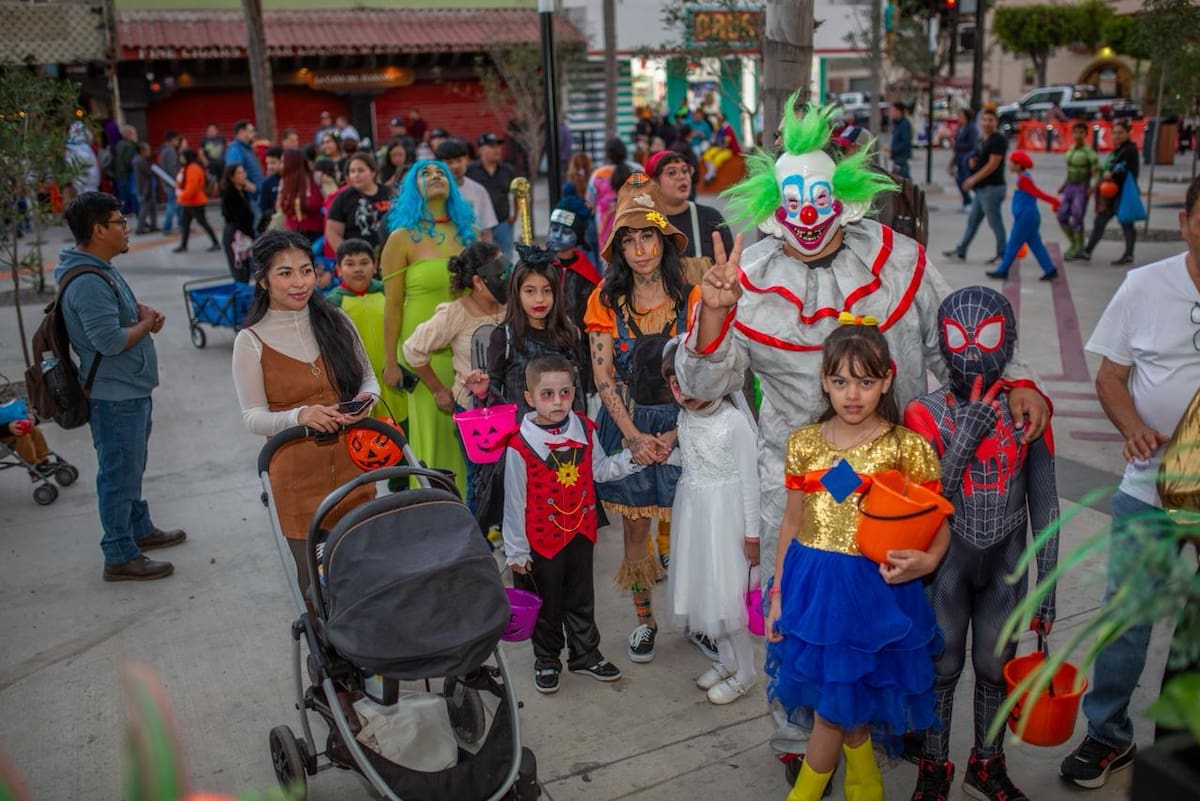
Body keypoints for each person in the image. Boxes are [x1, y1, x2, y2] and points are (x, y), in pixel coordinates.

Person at [673, 97, 1051, 786]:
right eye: (794, 199)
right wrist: (714, 314)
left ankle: (880, 728)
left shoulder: (899, 256)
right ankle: (799, 737)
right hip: (802, 481)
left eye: (821, 195)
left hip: (895, 475)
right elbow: (699, 383)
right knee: (806, 620)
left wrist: (1018, 378)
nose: (809, 213)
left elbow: (953, 339)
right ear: (772, 204)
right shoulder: (745, 277)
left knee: (894, 610)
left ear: (842, 197)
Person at [766, 320, 949, 801]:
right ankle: (865, 783)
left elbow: (938, 523)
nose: (853, 394)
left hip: (874, 593)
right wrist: (778, 594)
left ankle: (804, 794)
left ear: (887, 379)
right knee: (844, 699)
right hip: (813, 589)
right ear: (824, 380)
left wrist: (927, 562)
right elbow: (791, 523)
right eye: (841, 381)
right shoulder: (803, 444)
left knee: (835, 706)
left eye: (866, 382)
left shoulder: (905, 447)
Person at [1058, 174, 1200, 789]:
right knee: (1127, 615)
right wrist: (1135, 427)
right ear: (1189, 220)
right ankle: (1108, 735)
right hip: (1149, 486)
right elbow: (1112, 377)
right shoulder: (1145, 285)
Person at [903, 286, 1060, 801]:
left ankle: (986, 764)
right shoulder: (924, 414)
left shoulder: (1029, 413)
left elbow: (1046, 506)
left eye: (986, 335)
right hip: (947, 560)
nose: (971, 350)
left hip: (1008, 561)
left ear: (1007, 340)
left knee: (995, 666)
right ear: (941, 343)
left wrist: (1049, 589)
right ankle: (933, 766)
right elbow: (927, 503)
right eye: (958, 336)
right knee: (941, 665)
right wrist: (964, 437)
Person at [585, 173, 702, 664]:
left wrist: (676, 433)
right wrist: (634, 439)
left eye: (647, 236)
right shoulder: (604, 301)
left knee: (693, 526)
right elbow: (603, 378)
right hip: (629, 423)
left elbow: (705, 371)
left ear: (664, 240)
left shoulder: (690, 296)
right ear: (619, 249)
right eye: (628, 240)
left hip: (688, 424)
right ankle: (644, 621)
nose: (639, 250)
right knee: (636, 532)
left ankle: (698, 620)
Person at [232, 230, 378, 594]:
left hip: (353, 468)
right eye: (285, 273)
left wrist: (361, 404)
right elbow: (252, 416)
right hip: (295, 477)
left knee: (367, 571)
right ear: (264, 280)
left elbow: (370, 381)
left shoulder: (338, 322)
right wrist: (298, 416)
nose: (299, 283)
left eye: (306, 270)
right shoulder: (250, 341)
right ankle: (326, 647)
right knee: (314, 583)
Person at [56, 192, 185, 581]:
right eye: (119, 222)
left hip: (128, 389)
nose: (126, 229)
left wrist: (143, 315)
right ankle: (118, 552)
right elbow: (109, 341)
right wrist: (144, 324)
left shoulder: (100, 268)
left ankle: (137, 528)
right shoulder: (88, 281)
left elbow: (115, 318)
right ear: (98, 230)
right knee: (118, 472)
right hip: (115, 396)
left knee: (131, 467)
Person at [502, 354, 639, 694]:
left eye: (565, 392)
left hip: (580, 532)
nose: (558, 401)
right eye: (547, 394)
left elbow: (601, 471)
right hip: (541, 541)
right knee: (546, 604)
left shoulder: (585, 429)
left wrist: (634, 457)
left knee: (581, 598)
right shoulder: (520, 446)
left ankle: (585, 654)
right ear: (530, 398)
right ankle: (547, 659)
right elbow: (514, 501)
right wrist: (517, 550)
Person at [662, 337, 760, 705]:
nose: (682, 391)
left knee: (728, 597)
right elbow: (695, 461)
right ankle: (727, 659)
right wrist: (664, 456)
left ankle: (747, 671)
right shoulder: (685, 418)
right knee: (705, 589)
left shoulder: (734, 423)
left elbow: (751, 481)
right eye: (675, 383)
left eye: (690, 382)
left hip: (727, 519)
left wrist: (753, 535)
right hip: (695, 513)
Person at [381, 160, 477, 498]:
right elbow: (391, 306)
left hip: (467, 349)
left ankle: (476, 513)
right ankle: (437, 512)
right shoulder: (400, 239)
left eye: (441, 172)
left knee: (473, 434)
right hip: (422, 355)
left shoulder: (469, 234)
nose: (435, 176)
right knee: (433, 438)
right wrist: (391, 362)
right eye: (425, 173)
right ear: (411, 188)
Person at [403, 241, 507, 511]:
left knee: (513, 475)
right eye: (500, 272)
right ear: (479, 281)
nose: (506, 276)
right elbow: (413, 349)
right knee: (480, 477)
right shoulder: (455, 313)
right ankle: (477, 539)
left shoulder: (511, 305)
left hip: (511, 407)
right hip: (475, 411)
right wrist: (438, 389)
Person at [327, 239, 409, 424]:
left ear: (376, 265)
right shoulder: (333, 305)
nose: (358, 269)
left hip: (397, 376)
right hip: (361, 386)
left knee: (406, 429)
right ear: (338, 269)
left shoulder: (389, 293)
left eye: (364, 263)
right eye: (350, 264)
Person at [646, 149, 734, 284]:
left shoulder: (710, 218)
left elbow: (731, 266)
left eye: (685, 170)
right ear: (654, 183)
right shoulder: (642, 223)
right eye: (671, 172)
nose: (682, 176)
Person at [985, 150, 1062, 281]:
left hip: (1025, 218)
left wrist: (1054, 201)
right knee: (1036, 245)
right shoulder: (1023, 178)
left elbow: (1038, 193)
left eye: (1012, 163)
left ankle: (1002, 270)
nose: (1009, 165)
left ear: (1018, 165)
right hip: (1028, 217)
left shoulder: (1024, 179)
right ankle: (1050, 269)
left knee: (1012, 245)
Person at [943, 108, 1008, 265]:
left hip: (992, 187)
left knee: (995, 222)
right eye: (984, 120)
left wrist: (973, 179)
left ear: (996, 122)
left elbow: (993, 165)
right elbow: (978, 157)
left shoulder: (998, 140)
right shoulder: (982, 139)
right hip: (982, 188)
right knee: (973, 221)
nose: (987, 123)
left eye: (990, 120)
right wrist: (972, 163)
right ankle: (961, 250)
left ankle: (1003, 254)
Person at [1076, 118, 1140, 266]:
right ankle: (1087, 251)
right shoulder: (1119, 149)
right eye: (1114, 133)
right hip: (1112, 192)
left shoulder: (1129, 149)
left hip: (1123, 192)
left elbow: (1125, 169)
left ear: (1128, 133)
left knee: (1126, 222)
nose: (1117, 136)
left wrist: (1112, 174)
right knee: (1101, 220)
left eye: (1120, 133)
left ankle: (1128, 254)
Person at [325, 152, 394, 254]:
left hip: (389, 253)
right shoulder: (343, 198)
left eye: (360, 170)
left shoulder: (389, 193)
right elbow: (332, 232)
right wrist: (348, 255)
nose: (355, 175)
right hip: (358, 257)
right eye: (352, 171)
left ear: (373, 172)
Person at [466, 133, 517, 260]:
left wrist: (515, 214)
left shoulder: (508, 170)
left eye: (498, 146)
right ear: (481, 150)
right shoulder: (470, 170)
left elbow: (516, 193)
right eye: (491, 146)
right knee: (483, 260)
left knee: (506, 258)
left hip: (503, 222)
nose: (497, 150)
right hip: (480, 225)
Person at [437, 139, 497, 242]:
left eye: (459, 160)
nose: (455, 166)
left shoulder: (479, 191)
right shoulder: (433, 193)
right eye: (449, 162)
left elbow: (486, 230)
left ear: (466, 160)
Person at [1058, 121, 1100, 260]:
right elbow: (1069, 171)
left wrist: (1092, 187)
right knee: (1062, 215)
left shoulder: (1089, 153)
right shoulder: (1070, 150)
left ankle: (1079, 247)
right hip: (1070, 186)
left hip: (1082, 187)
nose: (1078, 135)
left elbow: (1096, 173)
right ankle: (1073, 243)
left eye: (1081, 132)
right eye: (1076, 132)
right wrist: (1064, 185)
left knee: (1077, 216)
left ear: (1086, 134)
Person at [172, 148, 220, 254]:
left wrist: (181, 198)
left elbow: (191, 188)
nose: (180, 158)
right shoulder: (187, 168)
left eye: (182, 156)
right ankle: (183, 245)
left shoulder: (193, 168)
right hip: (189, 202)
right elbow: (184, 184)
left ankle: (216, 243)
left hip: (196, 202)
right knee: (186, 224)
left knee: (203, 223)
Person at [277, 148, 324, 244]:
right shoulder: (284, 182)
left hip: (317, 236)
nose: (280, 165)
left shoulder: (317, 179)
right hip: (291, 237)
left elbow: (331, 203)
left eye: (283, 161)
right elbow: (280, 209)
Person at [219, 163, 256, 282]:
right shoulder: (229, 193)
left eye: (243, 172)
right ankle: (241, 293)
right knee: (239, 266)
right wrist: (250, 235)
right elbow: (237, 216)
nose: (243, 175)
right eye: (239, 173)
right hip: (235, 234)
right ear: (232, 177)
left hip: (243, 232)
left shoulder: (242, 191)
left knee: (246, 266)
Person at [224, 120, 263, 219]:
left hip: (257, 196)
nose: (254, 134)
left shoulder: (247, 148)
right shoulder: (235, 149)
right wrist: (250, 187)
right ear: (241, 132)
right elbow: (233, 172)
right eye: (251, 131)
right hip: (250, 198)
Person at [952, 109, 979, 211]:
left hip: (967, 159)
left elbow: (972, 144)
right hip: (959, 159)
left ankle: (970, 202)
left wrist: (957, 145)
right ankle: (967, 201)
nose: (959, 119)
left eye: (961, 116)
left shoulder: (971, 129)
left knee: (964, 180)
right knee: (960, 180)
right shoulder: (960, 129)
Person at [156, 130, 181, 235]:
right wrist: (178, 180)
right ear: (172, 140)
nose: (178, 142)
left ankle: (182, 224)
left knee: (176, 203)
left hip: (166, 182)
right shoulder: (170, 151)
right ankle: (167, 226)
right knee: (172, 204)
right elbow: (172, 168)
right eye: (176, 140)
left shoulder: (162, 150)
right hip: (171, 182)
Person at [132, 143, 157, 235]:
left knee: (152, 208)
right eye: (148, 150)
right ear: (142, 151)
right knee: (145, 208)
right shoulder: (140, 160)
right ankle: (140, 228)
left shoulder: (139, 159)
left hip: (146, 187)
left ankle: (153, 225)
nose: (149, 152)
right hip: (145, 188)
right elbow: (149, 171)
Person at [113, 124, 139, 215]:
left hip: (119, 174)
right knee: (134, 196)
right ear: (129, 134)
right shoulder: (129, 146)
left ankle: (119, 216)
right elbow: (129, 162)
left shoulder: (119, 144)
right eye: (134, 133)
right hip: (128, 175)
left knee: (122, 198)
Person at [258, 145, 283, 233]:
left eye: (273, 163)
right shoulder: (267, 182)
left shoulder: (291, 179)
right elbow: (264, 208)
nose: (269, 167)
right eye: (267, 163)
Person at [887, 103, 913, 180]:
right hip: (897, 158)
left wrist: (893, 149)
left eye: (892, 111)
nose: (890, 114)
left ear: (898, 111)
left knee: (904, 179)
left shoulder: (904, 124)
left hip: (901, 157)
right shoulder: (897, 124)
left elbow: (906, 142)